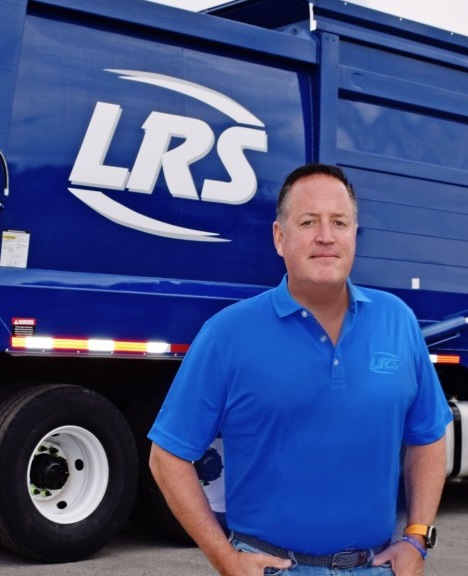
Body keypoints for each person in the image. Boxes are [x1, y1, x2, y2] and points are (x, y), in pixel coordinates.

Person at [148, 163, 451, 576]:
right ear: (279, 237)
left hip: (374, 568)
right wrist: (226, 560)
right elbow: (167, 457)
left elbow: (428, 437)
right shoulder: (227, 333)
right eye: (308, 222)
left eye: (339, 222)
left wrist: (417, 537)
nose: (326, 236)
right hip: (272, 570)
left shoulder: (397, 321)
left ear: (354, 234)